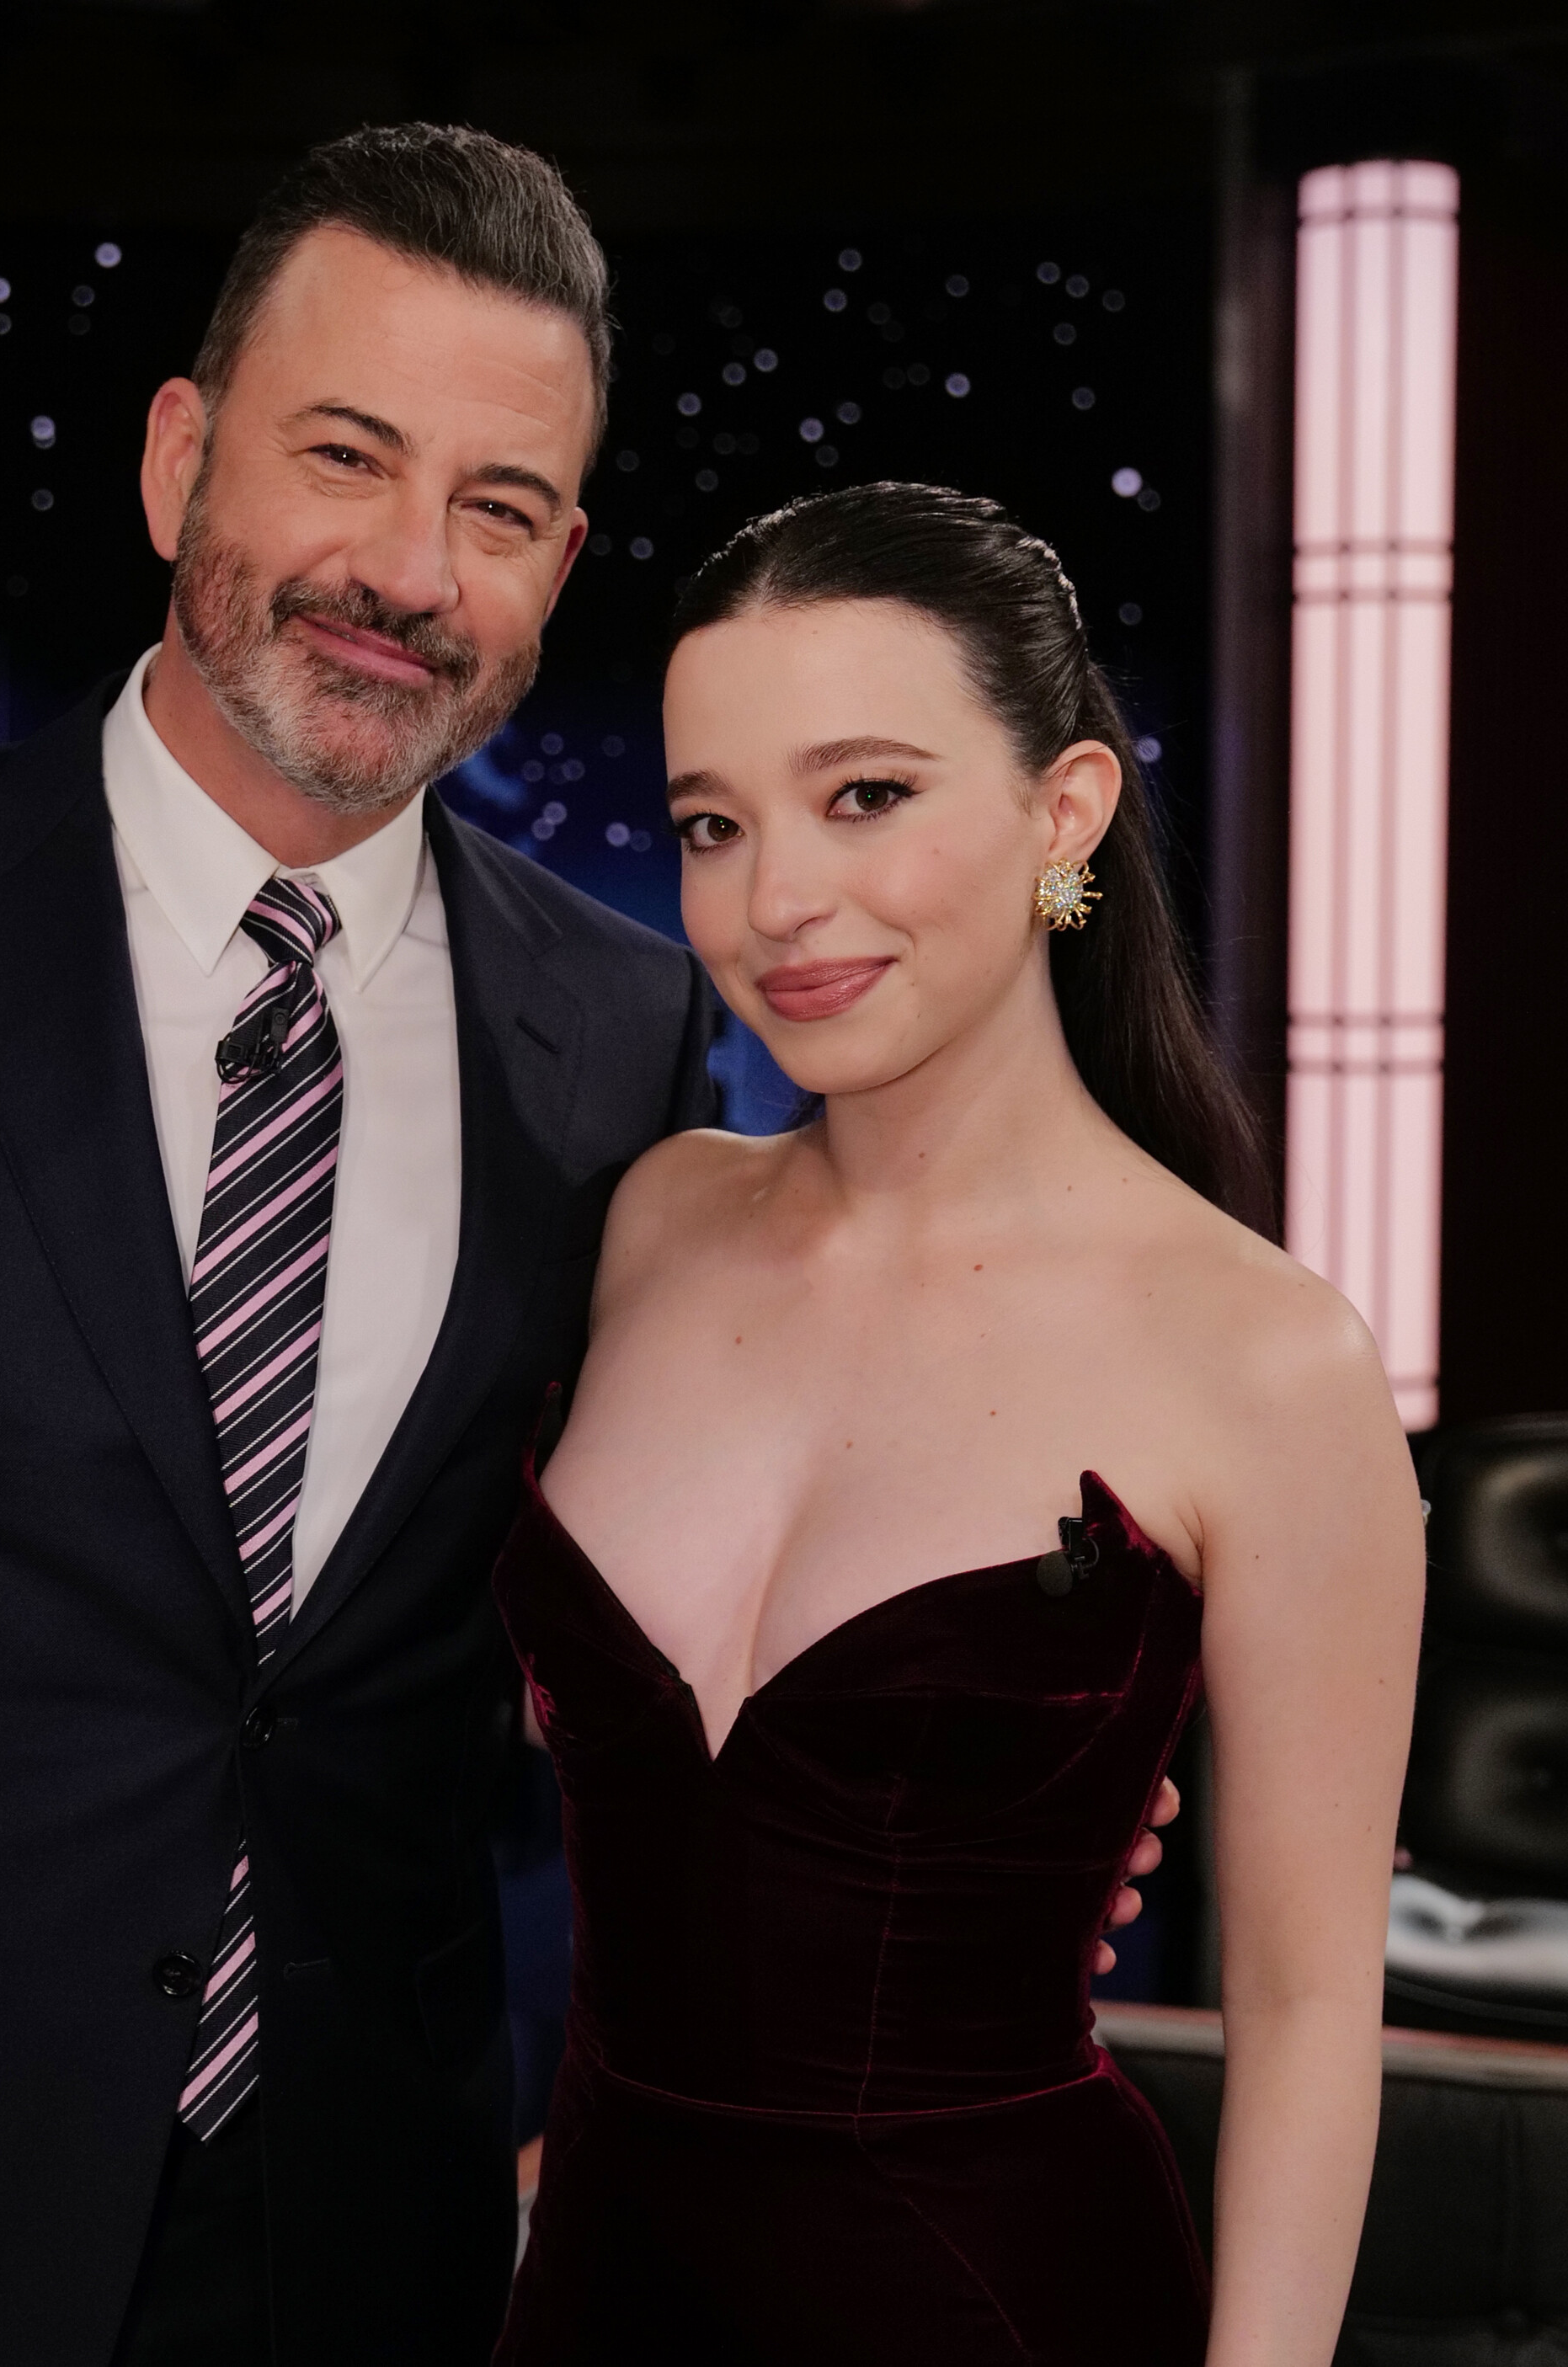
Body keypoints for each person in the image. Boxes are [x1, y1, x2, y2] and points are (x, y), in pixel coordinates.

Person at [0, 125, 719, 2367]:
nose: (408, 570)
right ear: (177, 463)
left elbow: (634, 1609)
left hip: (365, 2237)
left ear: (559, 567)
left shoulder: (626, 1030)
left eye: (498, 507)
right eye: (345, 456)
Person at [495, 484, 1425, 2365]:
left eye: (865, 795)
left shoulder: (1269, 1363)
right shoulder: (652, 1217)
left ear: (1062, 812)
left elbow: (1309, 2010)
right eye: (712, 825)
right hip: (591, 2280)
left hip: (992, 2297)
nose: (775, 901)